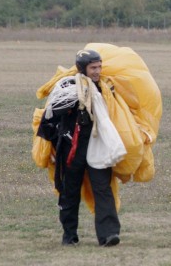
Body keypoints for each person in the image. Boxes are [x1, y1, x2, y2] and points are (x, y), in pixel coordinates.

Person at [37, 49, 121, 247]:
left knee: (103, 189)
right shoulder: (67, 87)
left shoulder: (105, 87)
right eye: (93, 68)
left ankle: (108, 235)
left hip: (96, 145)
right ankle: (69, 235)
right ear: (83, 68)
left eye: (99, 67)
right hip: (71, 148)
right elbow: (48, 120)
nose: (97, 71)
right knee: (69, 192)